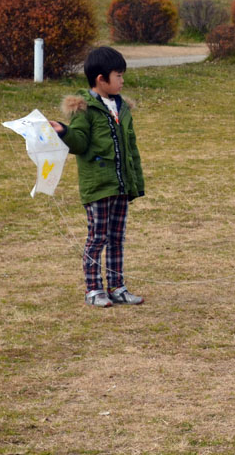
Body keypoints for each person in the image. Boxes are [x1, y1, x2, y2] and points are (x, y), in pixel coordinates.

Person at [49, 47, 145, 308]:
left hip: (121, 186)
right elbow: (79, 144)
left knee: (116, 238)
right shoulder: (85, 109)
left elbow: (131, 147)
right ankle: (93, 289)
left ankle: (117, 287)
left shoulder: (121, 107)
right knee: (97, 238)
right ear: (101, 79)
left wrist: (134, 181)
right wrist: (63, 131)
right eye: (119, 75)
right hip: (98, 187)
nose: (122, 80)